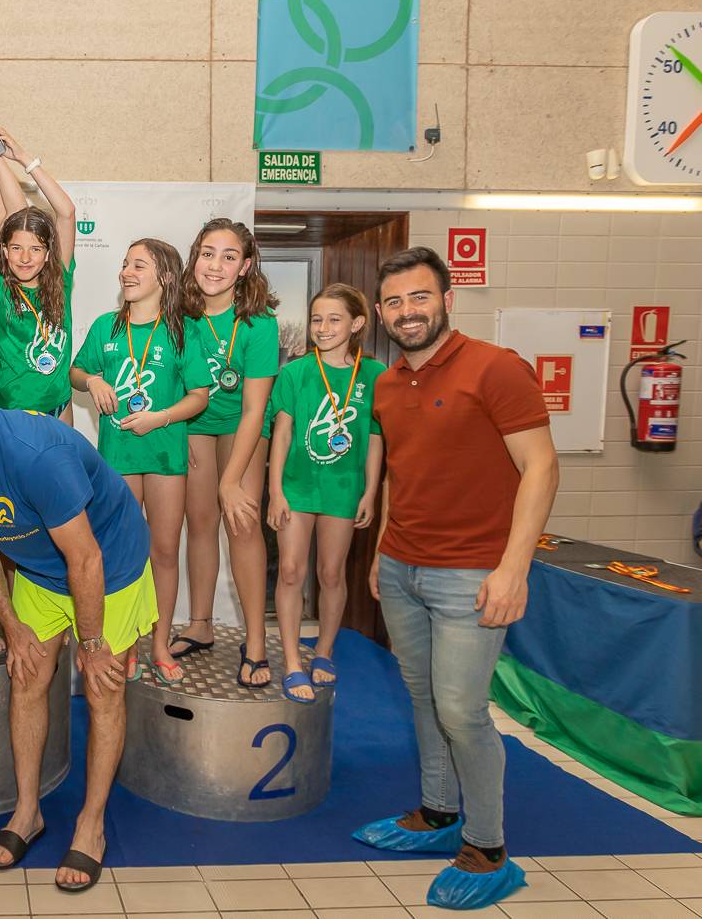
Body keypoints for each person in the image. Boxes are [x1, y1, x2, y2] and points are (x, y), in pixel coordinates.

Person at [353, 247, 558, 911]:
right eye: (394, 302)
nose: (407, 312)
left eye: (419, 298)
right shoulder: (385, 384)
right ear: (380, 313)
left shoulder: (495, 369)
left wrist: (513, 569)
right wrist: (386, 549)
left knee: (461, 711)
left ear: (446, 300)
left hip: (473, 573)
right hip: (404, 567)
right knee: (421, 696)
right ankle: (438, 813)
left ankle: (489, 848)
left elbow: (542, 469)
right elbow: (401, 473)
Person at [0, 365, 157, 893]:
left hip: (109, 566)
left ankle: (91, 824)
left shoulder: (36, 455)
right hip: (42, 571)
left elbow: (86, 559)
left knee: (102, 687)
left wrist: (91, 644)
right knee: (27, 678)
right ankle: (28, 812)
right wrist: (11, 623)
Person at [70, 239, 210, 684]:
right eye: (125, 263)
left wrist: (159, 418)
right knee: (123, 554)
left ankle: (161, 643)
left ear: (164, 276)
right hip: (117, 456)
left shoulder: (183, 330)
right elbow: (75, 372)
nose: (126, 272)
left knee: (164, 553)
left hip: (166, 454)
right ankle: (125, 643)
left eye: (138, 265)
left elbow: (200, 397)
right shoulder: (106, 328)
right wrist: (92, 379)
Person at [266, 283, 385, 703]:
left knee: (331, 574)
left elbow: (374, 439)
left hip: (343, 489)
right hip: (298, 488)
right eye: (317, 319)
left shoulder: (374, 376)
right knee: (291, 572)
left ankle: (324, 652)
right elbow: (280, 435)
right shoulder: (295, 372)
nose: (323, 327)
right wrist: (275, 491)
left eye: (334, 320)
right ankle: (292, 662)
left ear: (356, 324)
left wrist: (370, 493)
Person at [176, 219, 280, 688]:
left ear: (246, 265)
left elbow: (256, 408)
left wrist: (231, 479)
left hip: (244, 428)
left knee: (241, 522)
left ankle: (255, 640)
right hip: (195, 423)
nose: (215, 265)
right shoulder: (180, 313)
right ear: (194, 257)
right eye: (207, 253)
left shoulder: (259, 323)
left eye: (229, 256)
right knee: (199, 523)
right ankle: (200, 624)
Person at [0, 129, 78, 421]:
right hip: (14, 410)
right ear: (4, 250)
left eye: (36, 249)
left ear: (49, 253)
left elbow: (66, 212)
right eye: (16, 249)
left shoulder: (59, 279)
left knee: (62, 468)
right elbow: (9, 222)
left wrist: (23, 157)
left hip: (60, 405)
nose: (25, 258)